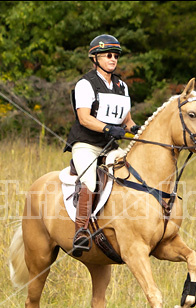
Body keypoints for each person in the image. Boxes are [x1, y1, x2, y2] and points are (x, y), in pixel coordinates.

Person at [64, 34, 139, 257]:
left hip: (110, 146)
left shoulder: (121, 86)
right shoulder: (85, 84)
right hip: (86, 144)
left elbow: (127, 120)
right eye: (108, 55)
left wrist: (135, 129)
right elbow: (85, 118)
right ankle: (81, 231)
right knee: (90, 180)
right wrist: (108, 129)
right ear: (95, 58)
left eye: (115, 55)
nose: (113, 58)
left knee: (129, 173)